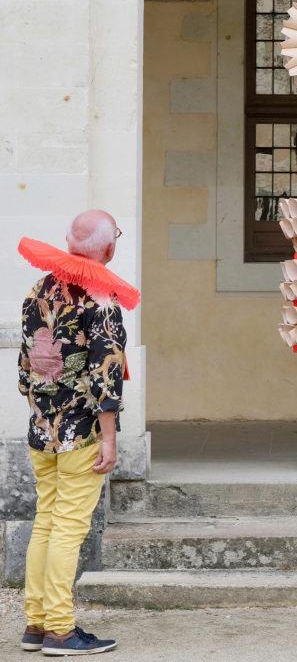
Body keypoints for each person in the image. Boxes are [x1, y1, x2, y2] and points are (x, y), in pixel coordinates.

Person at [18, 211, 128, 656]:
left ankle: (37, 623)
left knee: (45, 520)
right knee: (67, 527)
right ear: (108, 248)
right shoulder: (101, 300)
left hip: (42, 428)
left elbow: (26, 365)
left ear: (67, 241)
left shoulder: (37, 291)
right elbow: (108, 376)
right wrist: (109, 436)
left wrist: (40, 409)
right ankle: (61, 630)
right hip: (81, 431)